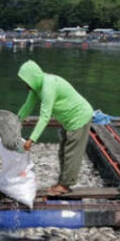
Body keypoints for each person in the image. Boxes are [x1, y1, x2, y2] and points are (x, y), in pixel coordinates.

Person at [16, 60, 93, 196]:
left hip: (79, 117)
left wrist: (31, 140)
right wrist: (16, 121)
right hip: (67, 120)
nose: (25, 84)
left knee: (71, 154)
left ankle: (65, 185)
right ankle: (62, 182)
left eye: (26, 81)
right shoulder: (37, 87)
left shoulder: (47, 87)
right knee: (63, 152)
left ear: (33, 77)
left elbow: (45, 117)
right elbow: (27, 106)